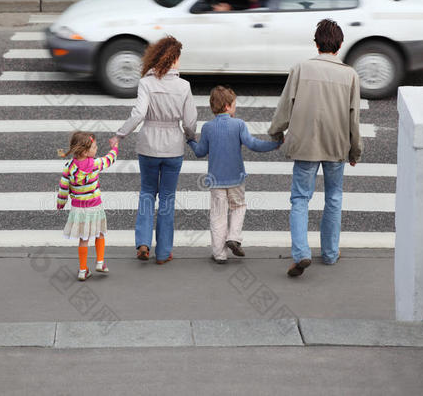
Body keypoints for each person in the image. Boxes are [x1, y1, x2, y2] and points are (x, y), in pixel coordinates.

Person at [268, 19, 362, 278]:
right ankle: (330, 254)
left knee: (300, 199)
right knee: (333, 197)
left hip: (306, 145)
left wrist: (276, 132)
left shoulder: (300, 69)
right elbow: (354, 117)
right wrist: (355, 151)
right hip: (336, 145)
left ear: (316, 43)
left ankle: (301, 253)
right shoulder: (350, 75)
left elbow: (285, 107)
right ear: (340, 45)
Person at [111, 36, 197, 265]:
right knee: (167, 199)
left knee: (147, 193)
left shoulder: (146, 83)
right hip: (173, 148)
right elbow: (189, 122)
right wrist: (190, 138)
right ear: (175, 59)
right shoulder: (184, 86)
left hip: (148, 145)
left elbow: (138, 114)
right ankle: (163, 252)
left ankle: (143, 243)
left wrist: (120, 134)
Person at [188, 86, 281, 263]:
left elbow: (200, 152)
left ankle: (219, 254)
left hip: (215, 180)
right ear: (227, 106)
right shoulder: (238, 124)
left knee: (218, 215)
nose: (235, 107)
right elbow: (252, 144)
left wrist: (190, 140)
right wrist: (273, 145)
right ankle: (234, 237)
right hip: (236, 178)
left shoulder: (208, 127)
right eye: (234, 104)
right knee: (238, 207)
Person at [57, 132, 119, 281]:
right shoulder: (95, 164)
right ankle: (100, 262)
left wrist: (61, 203)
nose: (97, 149)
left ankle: (83, 270)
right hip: (95, 206)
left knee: (83, 239)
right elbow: (109, 159)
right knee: (100, 233)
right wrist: (114, 148)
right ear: (85, 152)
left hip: (79, 209)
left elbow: (63, 188)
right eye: (95, 146)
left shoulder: (69, 168)